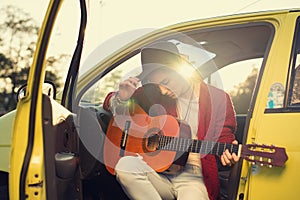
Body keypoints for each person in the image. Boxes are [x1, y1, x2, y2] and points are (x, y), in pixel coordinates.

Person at [103, 41, 239, 200]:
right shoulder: (154, 94)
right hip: (157, 172)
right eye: (157, 85)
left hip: (193, 178)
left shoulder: (219, 99)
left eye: (166, 82)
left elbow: (224, 138)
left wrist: (228, 154)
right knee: (124, 166)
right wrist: (121, 98)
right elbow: (110, 103)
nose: (163, 90)